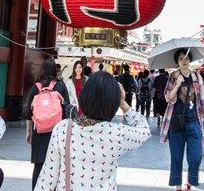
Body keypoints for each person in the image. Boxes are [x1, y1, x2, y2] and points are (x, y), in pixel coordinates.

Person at [34, 72, 151, 190]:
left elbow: (48, 178)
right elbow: (145, 130)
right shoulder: (117, 134)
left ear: (84, 96)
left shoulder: (63, 129)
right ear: (113, 103)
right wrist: (123, 103)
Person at [160, 49, 204, 190]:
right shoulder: (173, 76)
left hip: (193, 121)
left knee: (196, 156)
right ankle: (178, 186)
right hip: (176, 122)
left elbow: (203, 100)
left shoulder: (197, 77)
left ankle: (190, 182)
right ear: (177, 62)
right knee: (176, 156)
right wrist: (177, 84)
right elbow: (168, 98)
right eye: (180, 59)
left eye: (186, 58)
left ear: (190, 60)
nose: (184, 61)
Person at [23, 56, 69, 189]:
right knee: (57, 165)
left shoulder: (35, 88)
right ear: (55, 70)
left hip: (39, 132)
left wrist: (29, 131)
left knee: (38, 165)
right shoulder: (60, 86)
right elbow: (67, 110)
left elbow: (28, 113)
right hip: (57, 133)